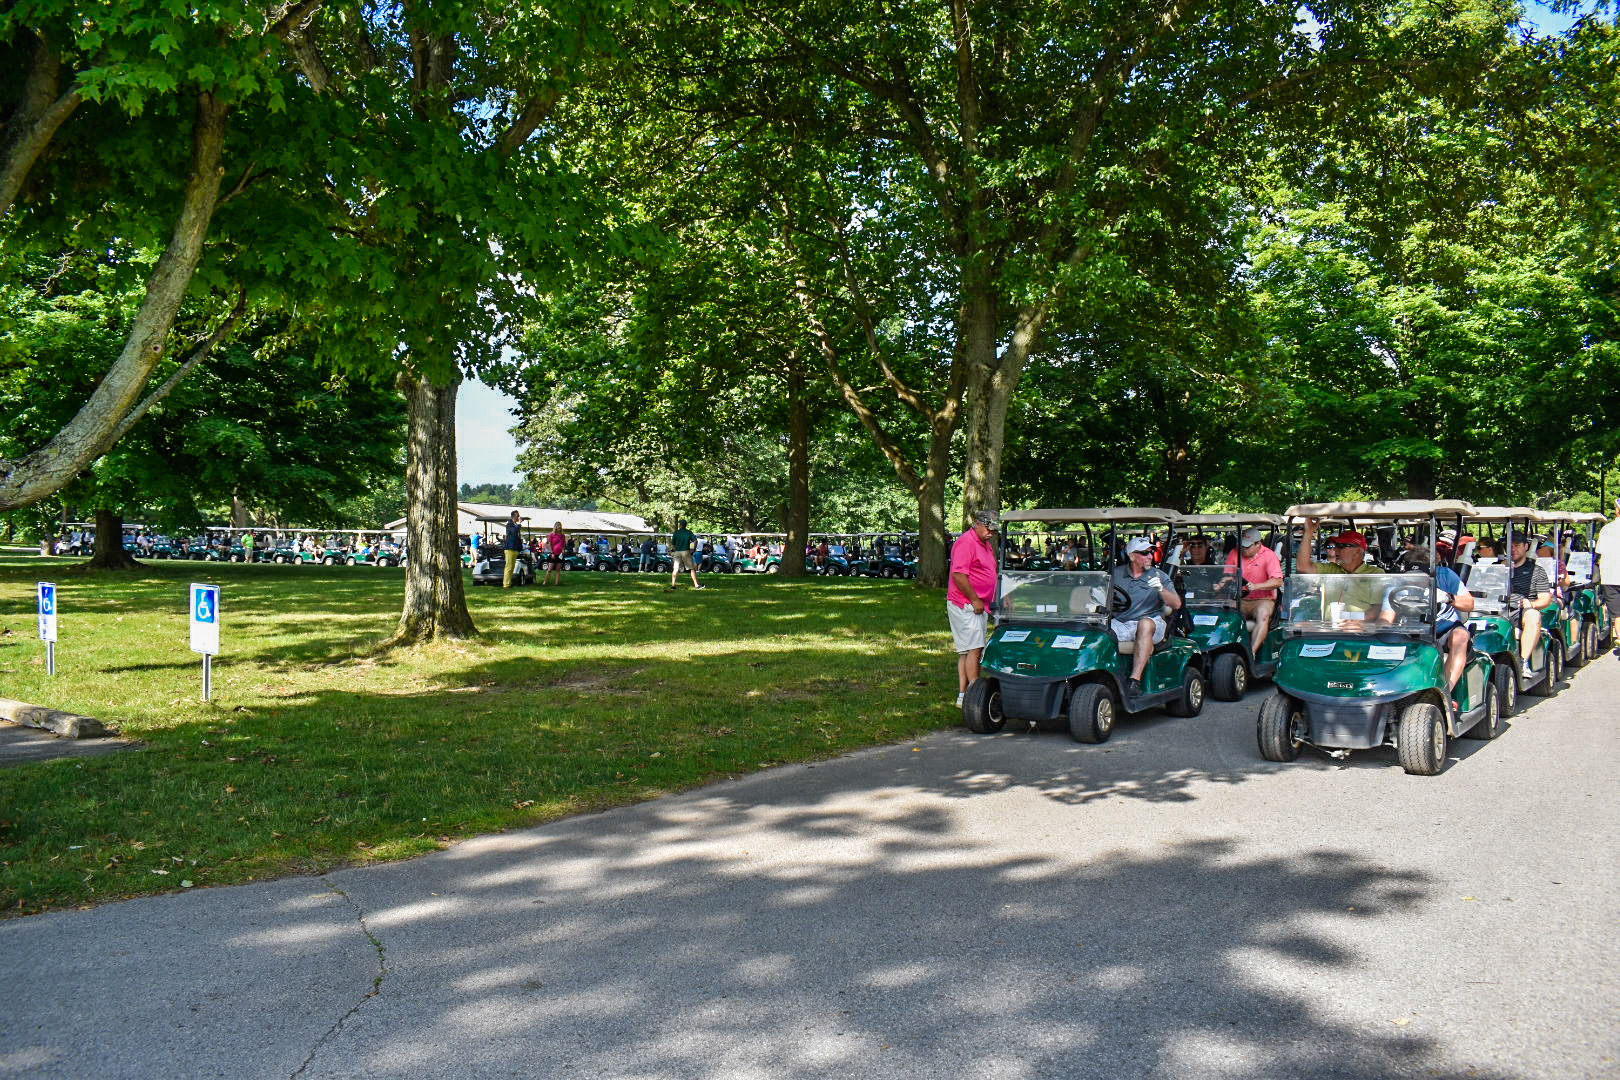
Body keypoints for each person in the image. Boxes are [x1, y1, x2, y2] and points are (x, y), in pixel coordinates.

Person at [1112, 536, 1182, 698]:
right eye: (1145, 553)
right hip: (1122, 622)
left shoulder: (1159, 575)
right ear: (1132, 556)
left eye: (1151, 552)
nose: (1150, 556)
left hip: (1152, 622)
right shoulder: (1117, 574)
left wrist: (1160, 588)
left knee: (1144, 624)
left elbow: (1176, 604)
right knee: (1098, 631)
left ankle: (1134, 681)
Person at [948, 509, 999, 707]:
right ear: (977, 524)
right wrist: (975, 599)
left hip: (979, 605)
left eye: (994, 530)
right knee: (975, 649)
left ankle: (964, 695)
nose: (991, 533)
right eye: (988, 528)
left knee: (967, 650)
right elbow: (959, 575)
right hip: (967, 604)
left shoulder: (985, 544)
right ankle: (976, 696)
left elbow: (990, 572)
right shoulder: (966, 542)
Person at [1298, 520, 1382, 625]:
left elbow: (1377, 608)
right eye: (1335, 546)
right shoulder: (1331, 569)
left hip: (1360, 629)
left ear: (1357, 551)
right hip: (1330, 628)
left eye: (1341, 546)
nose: (1335, 550)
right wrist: (1308, 533)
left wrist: (1354, 621)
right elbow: (1302, 567)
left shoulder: (1375, 573)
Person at [1222, 527, 1284, 659]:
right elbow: (1228, 575)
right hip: (1240, 598)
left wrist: (1257, 586)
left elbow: (1278, 581)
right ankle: (1222, 650)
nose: (1243, 549)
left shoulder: (1269, 555)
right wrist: (1221, 584)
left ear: (1258, 544)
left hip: (1263, 599)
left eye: (1247, 546)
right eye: (1242, 546)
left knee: (1263, 615)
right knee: (1222, 614)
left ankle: (1251, 654)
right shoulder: (1234, 553)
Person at [1507, 531, 1554, 680]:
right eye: (1510, 546)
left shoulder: (1537, 571)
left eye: (1517, 545)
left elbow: (1545, 599)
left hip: (1521, 611)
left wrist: (1531, 604)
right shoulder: (1497, 569)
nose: (1513, 549)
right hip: (1497, 610)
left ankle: (1523, 662)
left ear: (1526, 547)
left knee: (1533, 615)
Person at [1597, 498, 1620, 657]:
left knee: (1617, 613)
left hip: (1611, 577)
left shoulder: (1607, 529)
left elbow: (1600, 553)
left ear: (1617, 511)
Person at [668, 520, 702, 590]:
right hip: (686, 551)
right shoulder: (688, 532)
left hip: (677, 552)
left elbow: (673, 545)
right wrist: (694, 549)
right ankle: (696, 584)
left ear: (680, 525)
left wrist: (673, 550)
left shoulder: (676, 533)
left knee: (675, 569)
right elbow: (695, 540)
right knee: (692, 569)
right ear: (686, 525)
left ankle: (673, 585)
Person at [501, 510, 523, 587]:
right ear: (513, 516)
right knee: (509, 567)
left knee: (512, 567)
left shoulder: (515, 525)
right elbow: (514, 532)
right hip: (509, 548)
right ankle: (506, 584)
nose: (519, 517)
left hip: (514, 548)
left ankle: (508, 583)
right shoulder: (509, 524)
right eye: (517, 516)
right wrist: (519, 524)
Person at [543, 521, 567, 586]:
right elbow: (549, 544)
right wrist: (552, 553)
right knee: (549, 569)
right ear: (555, 526)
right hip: (553, 553)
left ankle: (556, 583)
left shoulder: (562, 535)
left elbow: (563, 544)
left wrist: (563, 550)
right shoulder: (552, 535)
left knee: (558, 570)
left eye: (560, 525)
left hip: (560, 554)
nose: (559, 527)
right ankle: (545, 582)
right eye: (558, 525)